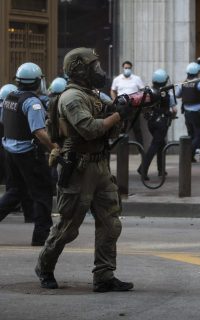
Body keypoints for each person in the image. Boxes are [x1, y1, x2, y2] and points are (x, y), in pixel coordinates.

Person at [36, 48, 133, 292]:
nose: (99, 71)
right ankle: (44, 267)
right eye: (94, 66)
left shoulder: (94, 95)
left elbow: (111, 126)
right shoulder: (72, 98)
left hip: (100, 166)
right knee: (68, 228)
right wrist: (115, 117)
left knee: (110, 224)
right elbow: (88, 129)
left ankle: (104, 276)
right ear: (79, 68)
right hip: (79, 169)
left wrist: (127, 108)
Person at [0, 63, 57, 246]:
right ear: (37, 82)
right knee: (42, 193)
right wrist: (55, 147)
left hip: (10, 152)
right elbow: (39, 132)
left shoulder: (10, 97)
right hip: (29, 155)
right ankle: (40, 237)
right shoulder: (32, 102)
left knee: (15, 192)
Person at [138, 69, 177, 180]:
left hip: (151, 122)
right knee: (155, 146)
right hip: (161, 123)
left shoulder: (150, 92)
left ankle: (161, 170)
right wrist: (170, 114)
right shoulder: (168, 94)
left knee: (161, 145)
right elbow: (174, 110)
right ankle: (143, 168)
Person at [110, 60, 145, 145]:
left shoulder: (137, 79)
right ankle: (120, 149)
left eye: (129, 68)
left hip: (134, 107)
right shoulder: (117, 79)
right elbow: (112, 90)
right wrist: (115, 101)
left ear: (131, 68)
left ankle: (141, 148)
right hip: (121, 107)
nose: (127, 69)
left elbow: (143, 91)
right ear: (123, 68)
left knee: (137, 128)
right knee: (121, 128)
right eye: (126, 68)